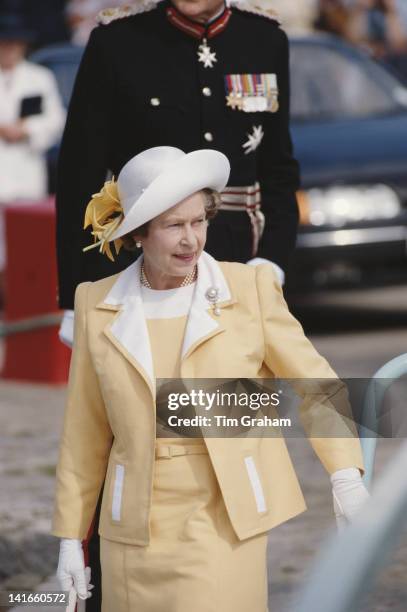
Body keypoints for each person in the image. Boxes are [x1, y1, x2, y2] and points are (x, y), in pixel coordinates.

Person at [53, 146, 369, 612]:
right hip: (132, 534)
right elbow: (86, 430)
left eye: (199, 221)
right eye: (173, 226)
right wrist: (68, 537)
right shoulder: (94, 303)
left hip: (223, 520)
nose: (191, 240)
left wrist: (345, 475)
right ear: (139, 233)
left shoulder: (250, 290)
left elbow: (315, 383)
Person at [56, 0, 301, 342]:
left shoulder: (264, 39)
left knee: (237, 391)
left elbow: (278, 167)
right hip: (142, 265)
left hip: (239, 261)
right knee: (152, 391)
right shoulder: (118, 41)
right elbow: (79, 174)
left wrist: (272, 258)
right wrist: (75, 292)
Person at [0, 8, 65, 291]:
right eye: (4, 44)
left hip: (26, 172)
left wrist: (26, 130)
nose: (10, 50)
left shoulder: (39, 77)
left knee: (26, 248)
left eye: (14, 44)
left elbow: (55, 119)